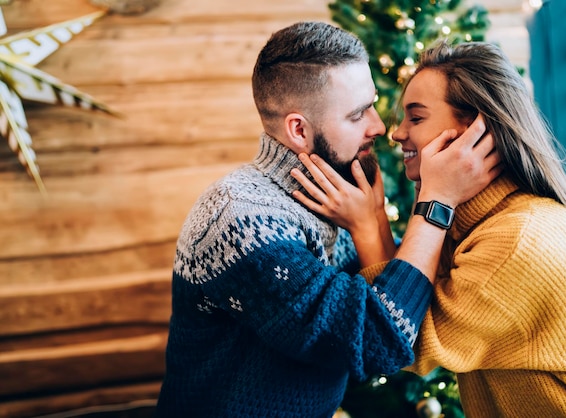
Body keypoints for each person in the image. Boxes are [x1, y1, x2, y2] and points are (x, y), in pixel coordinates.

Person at [154, 22, 500, 417]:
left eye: (372, 104)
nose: (379, 127)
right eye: (357, 115)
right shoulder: (239, 217)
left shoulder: (335, 196)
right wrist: (437, 201)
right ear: (298, 130)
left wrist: (370, 223)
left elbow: (402, 308)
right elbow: (378, 339)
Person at [292, 40, 566, 417]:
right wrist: (378, 220)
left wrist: (393, 217)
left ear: (475, 134)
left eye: (415, 118)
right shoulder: (478, 225)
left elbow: (400, 341)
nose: (396, 133)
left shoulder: (518, 239)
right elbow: (407, 301)